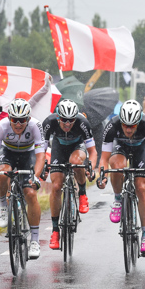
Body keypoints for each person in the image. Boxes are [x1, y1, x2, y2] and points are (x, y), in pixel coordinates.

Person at [0, 98, 46, 258]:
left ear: (28, 119)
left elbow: (40, 156)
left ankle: (34, 240)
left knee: (31, 193)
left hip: (29, 154)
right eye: (14, 120)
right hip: (8, 152)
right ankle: (3, 206)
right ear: (9, 118)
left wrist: (36, 177)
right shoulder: (1, 126)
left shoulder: (35, 126)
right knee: (2, 172)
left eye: (22, 120)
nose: (18, 124)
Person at [98, 100, 145, 256]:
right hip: (120, 147)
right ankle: (118, 200)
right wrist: (102, 176)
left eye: (132, 126)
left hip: (141, 149)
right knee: (117, 165)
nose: (128, 129)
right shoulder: (112, 125)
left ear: (138, 122)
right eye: (125, 125)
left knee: (141, 187)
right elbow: (104, 159)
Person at [41, 99, 98, 250]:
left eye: (71, 120)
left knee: (75, 161)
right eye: (64, 120)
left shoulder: (82, 122)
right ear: (58, 117)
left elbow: (92, 151)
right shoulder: (49, 122)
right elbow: (41, 151)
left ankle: (82, 193)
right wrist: (42, 167)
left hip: (77, 146)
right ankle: (55, 231)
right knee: (57, 185)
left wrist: (91, 167)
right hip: (59, 147)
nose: (67, 124)